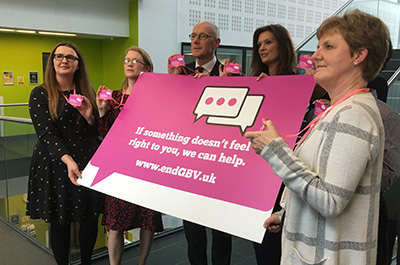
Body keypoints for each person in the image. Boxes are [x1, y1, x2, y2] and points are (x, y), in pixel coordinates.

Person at [245, 10, 390, 264]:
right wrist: (288, 213)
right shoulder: (340, 109)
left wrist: (274, 149)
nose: (315, 56)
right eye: (318, 46)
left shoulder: (353, 115)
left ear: (358, 55)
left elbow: (331, 201)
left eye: (329, 46)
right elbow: (322, 178)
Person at [27, 41, 104, 265]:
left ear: (78, 64)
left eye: (70, 57)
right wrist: (68, 161)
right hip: (55, 162)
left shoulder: (87, 92)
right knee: (60, 222)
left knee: (90, 219)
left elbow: (96, 131)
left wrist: (90, 116)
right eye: (59, 56)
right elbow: (46, 134)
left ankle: (87, 262)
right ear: (52, 62)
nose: (63, 60)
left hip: (87, 161)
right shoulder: (40, 93)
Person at [167, 21, 232, 265]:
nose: (195, 41)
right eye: (193, 36)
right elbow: (171, 115)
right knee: (193, 232)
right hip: (190, 162)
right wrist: (171, 84)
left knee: (221, 232)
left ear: (216, 43)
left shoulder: (231, 75)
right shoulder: (180, 74)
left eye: (203, 37)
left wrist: (224, 86)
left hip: (219, 163)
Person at [97, 46, 163, 265]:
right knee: (115, 224)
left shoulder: (156, 98)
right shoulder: (113, 97)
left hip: (146, 166)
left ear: (146, 67)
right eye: (126, 60)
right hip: (118, 167)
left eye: (136, 61)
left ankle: (141, 262)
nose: (129, 63)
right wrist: (101, 112)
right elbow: (103, 134)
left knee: (147, 220)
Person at [249, 24, 297, 265]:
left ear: (282, 44)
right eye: (259, 45)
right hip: (255, 171)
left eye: (268, 42)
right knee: (260, 242)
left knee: (279, 243)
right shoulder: (255, 82)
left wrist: (276, 90)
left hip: (283, 174)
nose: (262, 48)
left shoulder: (300, 82)